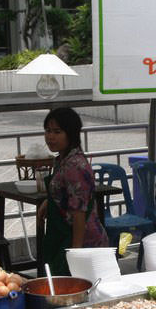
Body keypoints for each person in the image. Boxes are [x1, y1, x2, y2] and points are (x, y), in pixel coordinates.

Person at [37, 107, 107, 275]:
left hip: (83, 242)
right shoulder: (61, 160)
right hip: (65, 237)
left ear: (71, 134)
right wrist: (49, 202)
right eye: (48, 131)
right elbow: (65, 193)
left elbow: (79, 214)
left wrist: (75, 253)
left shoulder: (75, 166)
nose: (50, 137)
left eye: (57, 131)